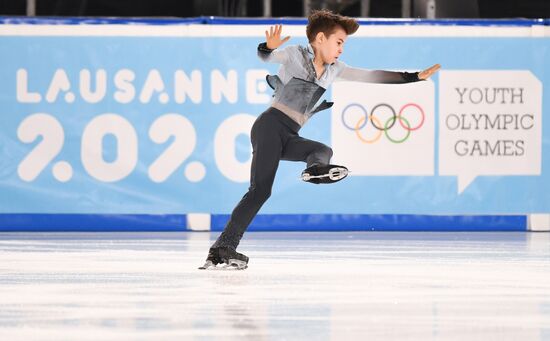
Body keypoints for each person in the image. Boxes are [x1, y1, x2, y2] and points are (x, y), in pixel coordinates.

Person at [199, 10, 440, 270]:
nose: (341, 50)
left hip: (289, 133)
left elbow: (372, 76)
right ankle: (222, 248)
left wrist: (413, 77)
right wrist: (267, 47)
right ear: (320, 38)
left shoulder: (335, 70)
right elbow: (266, 56)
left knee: (322, 149)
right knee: (260, 190)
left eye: (344, 45)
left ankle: (314, 170)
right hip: (269, 126)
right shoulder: (294, 55)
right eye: (339, 43)